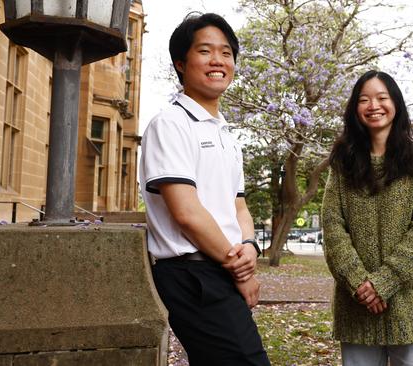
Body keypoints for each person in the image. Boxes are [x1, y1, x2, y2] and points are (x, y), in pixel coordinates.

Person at [139, 12, 270, 365]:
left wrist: (250, 246)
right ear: (181, 63)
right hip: (192, 273)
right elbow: (186, 213)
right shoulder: (170, 124)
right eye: (205, 51)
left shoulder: (225, 133)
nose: (218, 61)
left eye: (226, 53)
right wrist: (239, 270)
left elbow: (238, 206)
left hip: (221, 266)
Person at [322, 70, 413, 366]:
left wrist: (382, 283)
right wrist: (359, 283)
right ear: (355, 109)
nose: (373, 105)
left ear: (396, 103)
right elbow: (332, 226)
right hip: (356, 305)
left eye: (381, 98)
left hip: (412, 303)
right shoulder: (343, 162)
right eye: (364, 100)